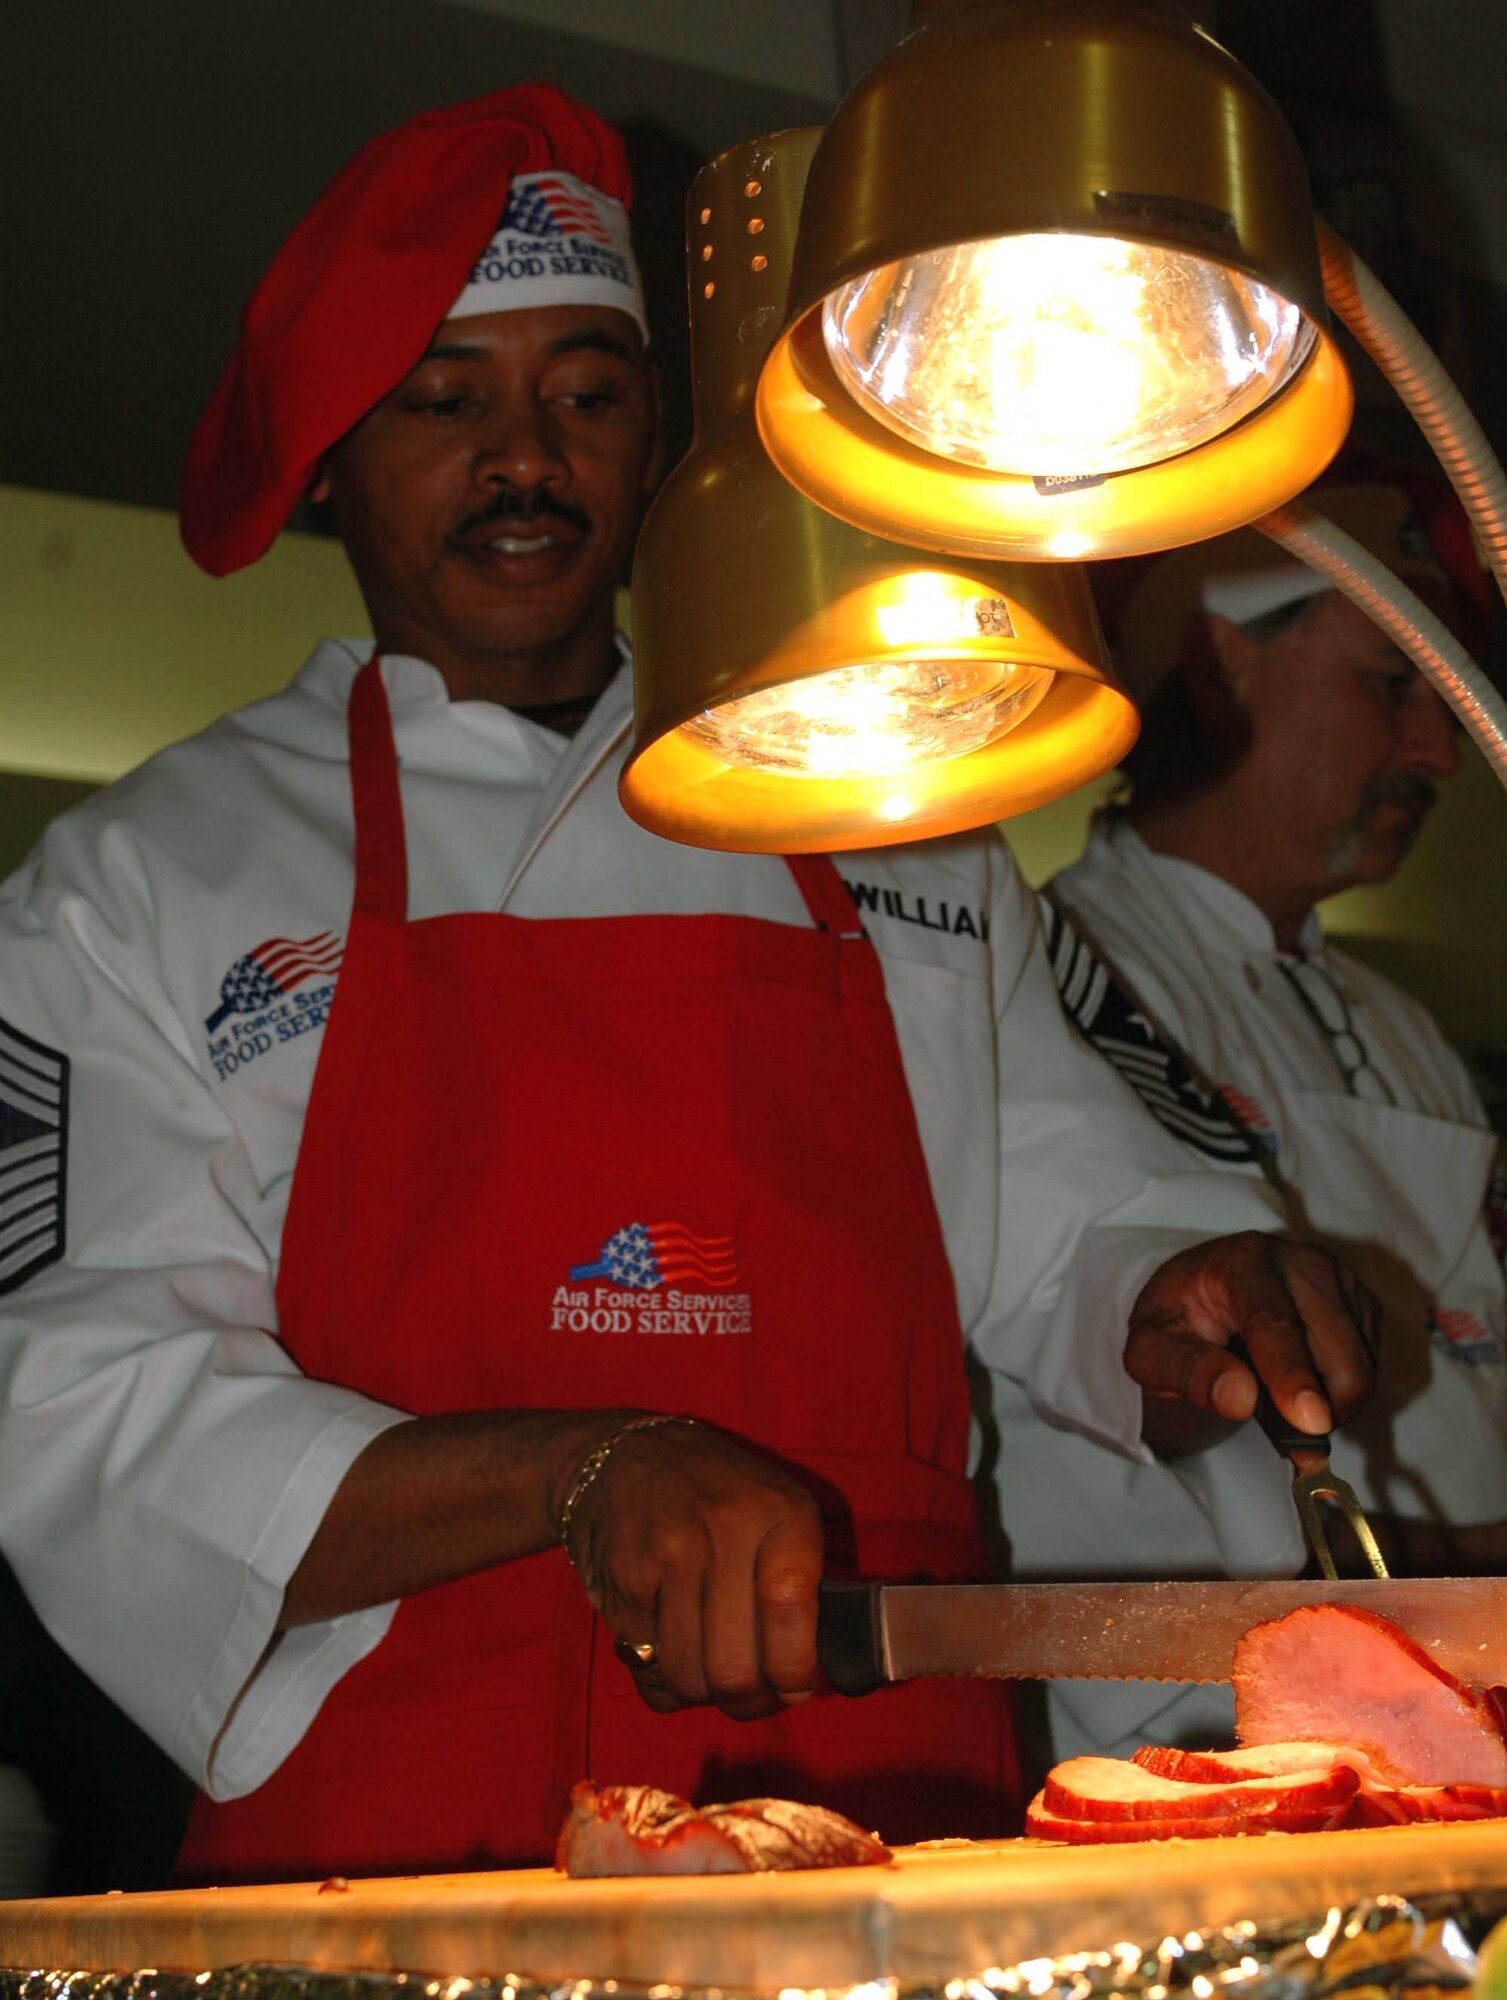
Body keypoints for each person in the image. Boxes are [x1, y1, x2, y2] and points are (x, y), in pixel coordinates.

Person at [0, 85, 1377, 1885]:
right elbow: (80, 1390)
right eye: (446, 403)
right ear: (333, 454)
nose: (526, 460)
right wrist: (574, 1470)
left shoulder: (883, 804)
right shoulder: (146, 876)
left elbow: (1067, 1220)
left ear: (658, 437)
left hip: (882, 1788)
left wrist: (1184, 1292)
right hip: (398, 1816)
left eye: (586, 395)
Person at [1038, 481, 1505, 1757]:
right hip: (1212, 1721)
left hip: (1460, 1695)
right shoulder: (1063, 969)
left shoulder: (1401, 1024)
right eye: (1390, 684)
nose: (1437, 748)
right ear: (1224, 655)